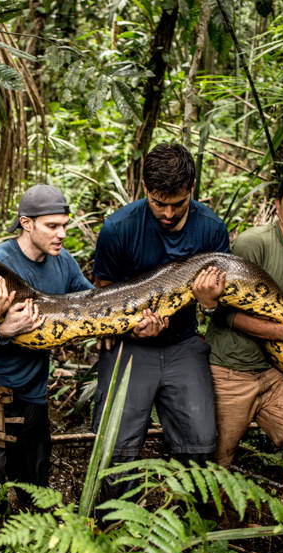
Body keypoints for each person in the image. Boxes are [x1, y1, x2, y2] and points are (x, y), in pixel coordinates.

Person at [91, 143, 229, 500]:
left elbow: (219, 301)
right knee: (117, 443)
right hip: (130, 345)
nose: (167, 213)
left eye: (177, 204)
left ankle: (190, 529)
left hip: (183, 342)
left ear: (192, 189)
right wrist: (127, 326)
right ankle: (111, 526)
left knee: (199, 440)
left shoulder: (212, 229)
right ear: (144, 188)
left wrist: (209, 304)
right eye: (158, 203)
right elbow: (104, 291)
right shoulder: (118, 228)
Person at [0, 184, 93, 515]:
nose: (62, 234)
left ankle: (28, 551)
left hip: (33, 388)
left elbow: (91, 303)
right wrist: (4, 330)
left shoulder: (64, 263)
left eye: (65, 225)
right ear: (26, 224)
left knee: (36, 480)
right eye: (52, 226)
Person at [201, 167, 283, 519]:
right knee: (217, 463)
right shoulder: (253, 244)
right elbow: (223, 314)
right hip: (229, 371)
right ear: (278, 205)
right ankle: (214, 538)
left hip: (275, 374)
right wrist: (282, 333)